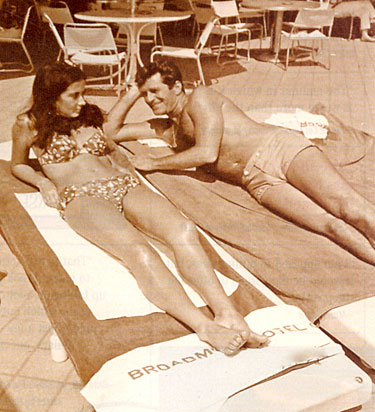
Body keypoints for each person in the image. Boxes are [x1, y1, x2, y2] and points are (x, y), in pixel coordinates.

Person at [11, 61, 268, 356]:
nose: (82, 101)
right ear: (50, 95)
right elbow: (18, 163)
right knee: (139, 250)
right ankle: (204, 327)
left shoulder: (89, 116)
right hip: (81, 196)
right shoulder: (27, 124)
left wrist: (133, 93)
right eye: (74, 95)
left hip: (123, 184)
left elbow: (112, 131)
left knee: (183, 230)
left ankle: (226, 312)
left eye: (83, 93)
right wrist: (42, 181)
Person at [104, 58, 375, 266]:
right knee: (331, 227)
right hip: (256, 181)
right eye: (145, 94)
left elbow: (207, 153)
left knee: (349, 208)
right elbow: (111, 132)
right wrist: (131, 93)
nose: (150, 100)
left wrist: (156, 162)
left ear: (176, 86)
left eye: (154, 91)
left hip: (277, 149)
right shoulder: (165, 128)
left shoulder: (201, 98)